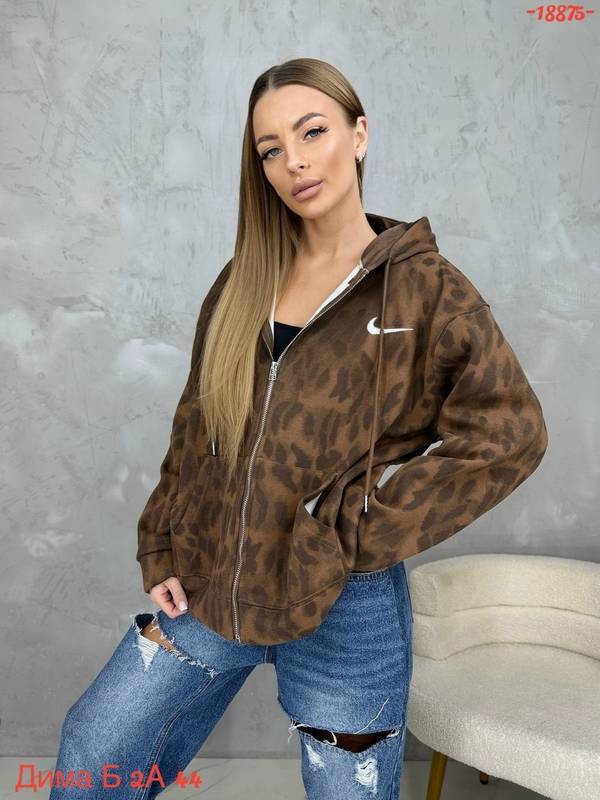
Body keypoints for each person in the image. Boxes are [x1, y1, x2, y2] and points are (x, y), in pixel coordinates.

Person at [49, 57, 548, 799]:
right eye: (271, 149)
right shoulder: (244, 280)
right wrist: (161, 541)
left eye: (313, 132)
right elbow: (197, 420)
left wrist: (355, 527)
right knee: (95, 752)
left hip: (344, 599)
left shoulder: (426, 290)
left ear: (359, 135)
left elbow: (511, 430)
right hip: (214, 575)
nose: (295, 162)